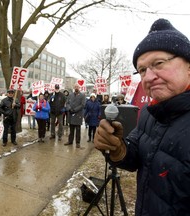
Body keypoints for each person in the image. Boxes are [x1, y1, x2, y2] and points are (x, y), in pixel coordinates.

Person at [94, 18, 190, 215]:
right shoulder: (149, 111)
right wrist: (118, 148)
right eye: (142, 70)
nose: (148, 77)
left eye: (159, 63)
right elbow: (136, 155)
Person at [64, 83, 85, 148]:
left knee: (78, 130)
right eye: (75, 86)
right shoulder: (70, 95)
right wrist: (69, 109)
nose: (76, 88)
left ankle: (77, 143)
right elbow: (67, 103)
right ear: (74, 87)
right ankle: (70, 141)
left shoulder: (82, 95)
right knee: (71, 130)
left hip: (78, 115)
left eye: (77, 87)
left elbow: (82, 105)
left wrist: (75, 110)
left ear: (79, 88)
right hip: (71, 115)